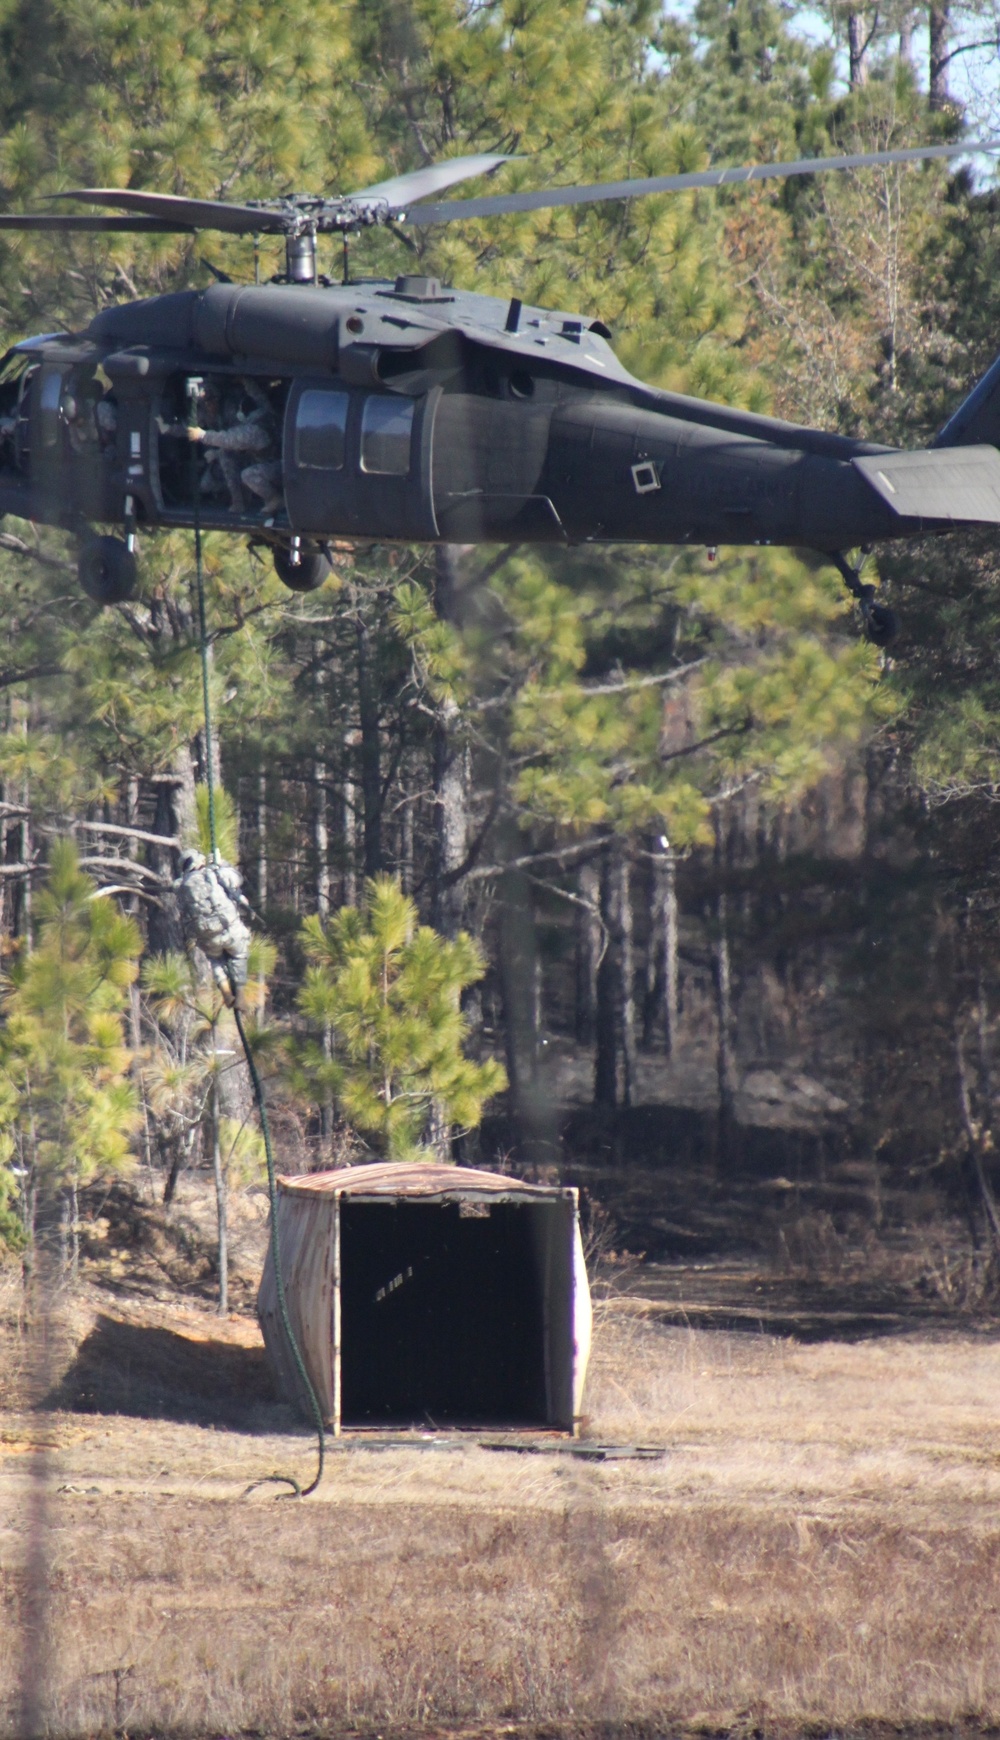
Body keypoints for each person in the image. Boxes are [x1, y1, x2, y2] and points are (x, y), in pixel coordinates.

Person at [158, 378, 281, 514]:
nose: (209, 406)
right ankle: (238, 502)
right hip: (256, 454)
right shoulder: (263, 409)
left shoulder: (252, 431)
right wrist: (245, 379)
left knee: (248, 475)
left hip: (274, 464)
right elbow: (256, 394)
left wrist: (202, 436)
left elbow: (228, 439)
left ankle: (274, 498)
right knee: (222, 459)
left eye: (211, 401)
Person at [173, 847, 252, 1008]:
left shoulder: (181, 887)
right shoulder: (213, 873)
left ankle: (226, 992)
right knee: (239, 954)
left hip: (206, 936)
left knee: (215, 959)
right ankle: (241, 994)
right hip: (228, 928)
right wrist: (221, 864)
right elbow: (237, 879)